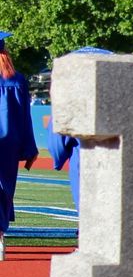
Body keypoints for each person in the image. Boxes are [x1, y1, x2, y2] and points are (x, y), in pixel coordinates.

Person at [47, 47, 112, 212]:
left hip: (84, 160)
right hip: (119, 162)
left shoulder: (70, 98)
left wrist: (58, 159)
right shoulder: (119, 98)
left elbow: (57, 141)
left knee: (89, 215)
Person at [0, 32, 38, 262]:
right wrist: (29, 147)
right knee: (4, 190)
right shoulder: (18, 80)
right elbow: (25, 117)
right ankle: (0, 235)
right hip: (10, 145)